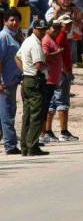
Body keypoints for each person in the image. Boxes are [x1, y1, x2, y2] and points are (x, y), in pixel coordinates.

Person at [15, 19, 49, 156]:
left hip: (27, 79)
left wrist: (25, 71)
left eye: (44, 29)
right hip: (35, 80)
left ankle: (25, 146)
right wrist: (43, 68)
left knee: (28, 115)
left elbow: (17, 57)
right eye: (40, 29)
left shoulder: (27, 41)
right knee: (37, 115)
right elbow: (39, 64)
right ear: (34, 28)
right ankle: (32, 146)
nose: (42, 31)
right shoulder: (35, 43)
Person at [46, 14, 79, 141]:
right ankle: (63, 132)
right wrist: (64, 71)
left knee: (53, 102)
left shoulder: (62, 35)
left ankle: (48, 132)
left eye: (70, 23)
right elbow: (55, 55)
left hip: (59, 73)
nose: (69, 26)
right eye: (66, 24)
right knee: (62, 102)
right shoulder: (60, 36)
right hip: (61, 73)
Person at [0, 10, 22, 154]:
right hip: (5, 82)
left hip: (12, 81)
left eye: (17, 20)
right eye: (11, 20)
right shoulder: (4, 37)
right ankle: (10, 145)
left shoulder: (13, 36)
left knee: (4, 113)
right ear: (5, 21)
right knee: (7, 113)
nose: (14, 23)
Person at [39, 20, 63, 143]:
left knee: (48, 106)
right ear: (48, 29)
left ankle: (45, 132)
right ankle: (43, 134)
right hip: (47, 80)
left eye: (58, 29)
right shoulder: (46, 40)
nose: (56, 31)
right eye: (54, 28)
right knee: (44, 107)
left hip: (53, 80)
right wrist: (57, 53)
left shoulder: (53, 39)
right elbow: (45, 56)